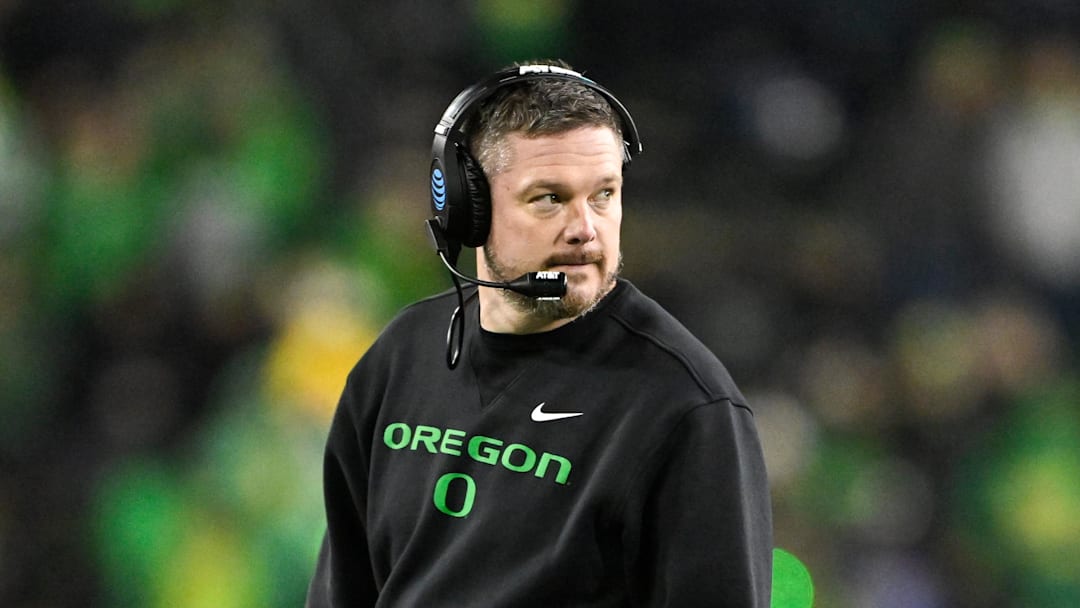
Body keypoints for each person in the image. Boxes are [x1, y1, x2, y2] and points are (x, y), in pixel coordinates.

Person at [305, 60, 773, 607]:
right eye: (549, 198)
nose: (585, 230)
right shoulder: (401, 356)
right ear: (467, 209)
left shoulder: (686, 408)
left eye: (603, 195)